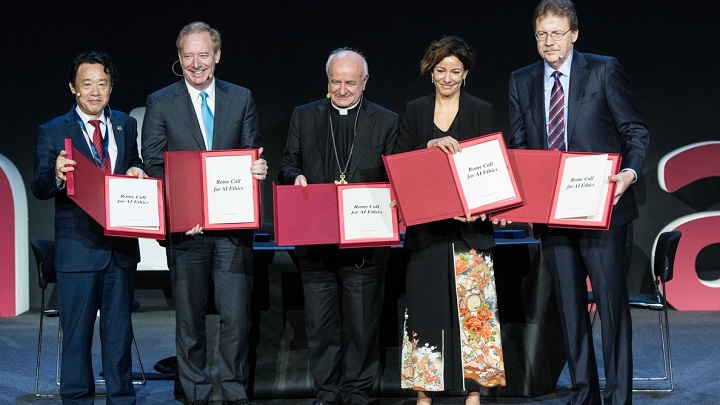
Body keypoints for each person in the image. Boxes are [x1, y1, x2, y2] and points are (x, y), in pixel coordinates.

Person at [508, 1, 650, 404]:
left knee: (611, 308)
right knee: (570, 312)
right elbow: (520, 148)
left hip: (603, 210)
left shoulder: (603, 69)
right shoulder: (521, 80)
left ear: (574, 34)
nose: (548, 41)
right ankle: (584, 393)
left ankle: (618, 396)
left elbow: (634, 131)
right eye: (541, 34)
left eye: (556, 32)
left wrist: (630, 173)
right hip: (552, 216)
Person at [141, 21, 268, 405]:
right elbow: (153, 163)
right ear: (179, 59)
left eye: (203, 54)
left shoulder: (241, 97)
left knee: (235, 320)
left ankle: (233, 394)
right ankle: (194, 395)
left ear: (217, 56)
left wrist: (257, 170)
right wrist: (184, 208)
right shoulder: (160, 101)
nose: (196, 63)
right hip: (187, 231)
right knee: (190, 321)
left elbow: (252, 152)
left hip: (231, 231)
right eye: (188, 56)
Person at [278, 48, 398, 405]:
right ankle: (327, 390)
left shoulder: (386, 120)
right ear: (327, 81)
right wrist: (296, 176)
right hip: (316, 239)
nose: (342, 89)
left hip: (364, 240)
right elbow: (288, 162)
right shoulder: (304, 115)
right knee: (320, 324)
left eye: (350, 82)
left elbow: (395, 174)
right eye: (335, 81)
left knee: (362, 325)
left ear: (364, 82)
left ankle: (357, 389)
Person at [395, 36, 506, 405]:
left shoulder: (481, 109)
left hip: (470, 229)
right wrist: (426, 148)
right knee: (425, 310)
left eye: (455, 71)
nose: (447, 78)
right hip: (426, 231)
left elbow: (490, 166)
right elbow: (399, 163)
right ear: (431, 73)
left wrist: (482, 206)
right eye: (440, 71)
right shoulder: (413, 111)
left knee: (474, 313)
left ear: (466, 74)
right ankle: (423, 392)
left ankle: (474, 391)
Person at [31, 50, 145, 404]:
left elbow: (134, 162)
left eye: (102, 83)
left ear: (111, 87)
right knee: (77, 337)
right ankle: (78, 400)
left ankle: (122, 398)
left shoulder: (126, 124)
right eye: (87, 84)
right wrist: (56, 175)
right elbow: (38, 186)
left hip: (120, 248)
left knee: (118, 336)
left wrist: (136, 170)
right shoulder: (52, 131)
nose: (95, 91)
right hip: (77, 249)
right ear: (73, 89)